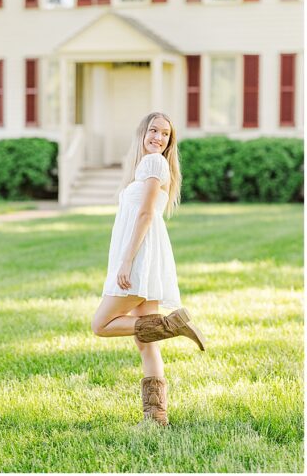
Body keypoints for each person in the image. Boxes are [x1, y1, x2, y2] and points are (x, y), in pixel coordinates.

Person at [90, 112, 206, 426]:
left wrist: (126, 262)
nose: (157, 137)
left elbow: (144, 215)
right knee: (145, 342)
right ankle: (156, 416)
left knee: (100, 324)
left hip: (139, 259)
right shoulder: (150, 166)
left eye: (164, 134)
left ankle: (170, 324)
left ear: (170, 141)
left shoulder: (154, 163)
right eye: (153, 130)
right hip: (146, 258)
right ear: (142, 133)